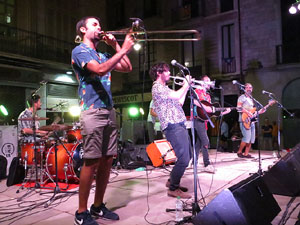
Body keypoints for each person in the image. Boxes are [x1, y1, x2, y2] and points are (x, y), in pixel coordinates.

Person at [71, 16, 134, 225]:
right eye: (94, 24)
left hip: (108, 110)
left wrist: (116, 45)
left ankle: (97, 206)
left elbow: (127, 68)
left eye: (100, 24)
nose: (99, 27)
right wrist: (124, 48)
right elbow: (99, 70)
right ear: (83, 30)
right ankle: (81, 212)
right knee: (91, 161)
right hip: (92, 111)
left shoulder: (103, 53)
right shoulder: (79, 51)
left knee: (108, 159)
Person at [150, 62, 192, 199]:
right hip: (172, 126)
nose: (169, 73)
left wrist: (185, 88)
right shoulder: (157, 88)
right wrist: (186, 84)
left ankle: (172, 181)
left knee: (188, 155)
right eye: (166, 71)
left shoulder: (165, 88)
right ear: (159, 73)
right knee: (184, 158)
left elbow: (179, 101)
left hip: (179, 124)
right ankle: (173, 188)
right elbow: (176, 96)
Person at [193, 75, 230, 173]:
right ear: (201, 82)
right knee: (205, 142)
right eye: (207, 81)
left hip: (204, 120)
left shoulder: (208, 95)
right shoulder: (197, 91)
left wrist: (223, 112)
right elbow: (195, 102)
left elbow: (211, 112)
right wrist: (207, 108)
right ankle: (207, 164)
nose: (210, 83)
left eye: (210, 81)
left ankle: (193, 162)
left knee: (199, 143)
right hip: (197, 119)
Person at [236, 83, 266, 158]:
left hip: (251, 121)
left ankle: (246, 153)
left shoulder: (251, 99)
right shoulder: (242, 97)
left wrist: (259, 112)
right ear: (244, 89)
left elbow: (253, 111)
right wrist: (247, 112)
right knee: (246, 138)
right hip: (244, 119)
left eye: (250, 87)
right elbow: (239, 107)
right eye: (247, 87)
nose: (249, 89)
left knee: (251, 138)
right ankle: (239, 152)